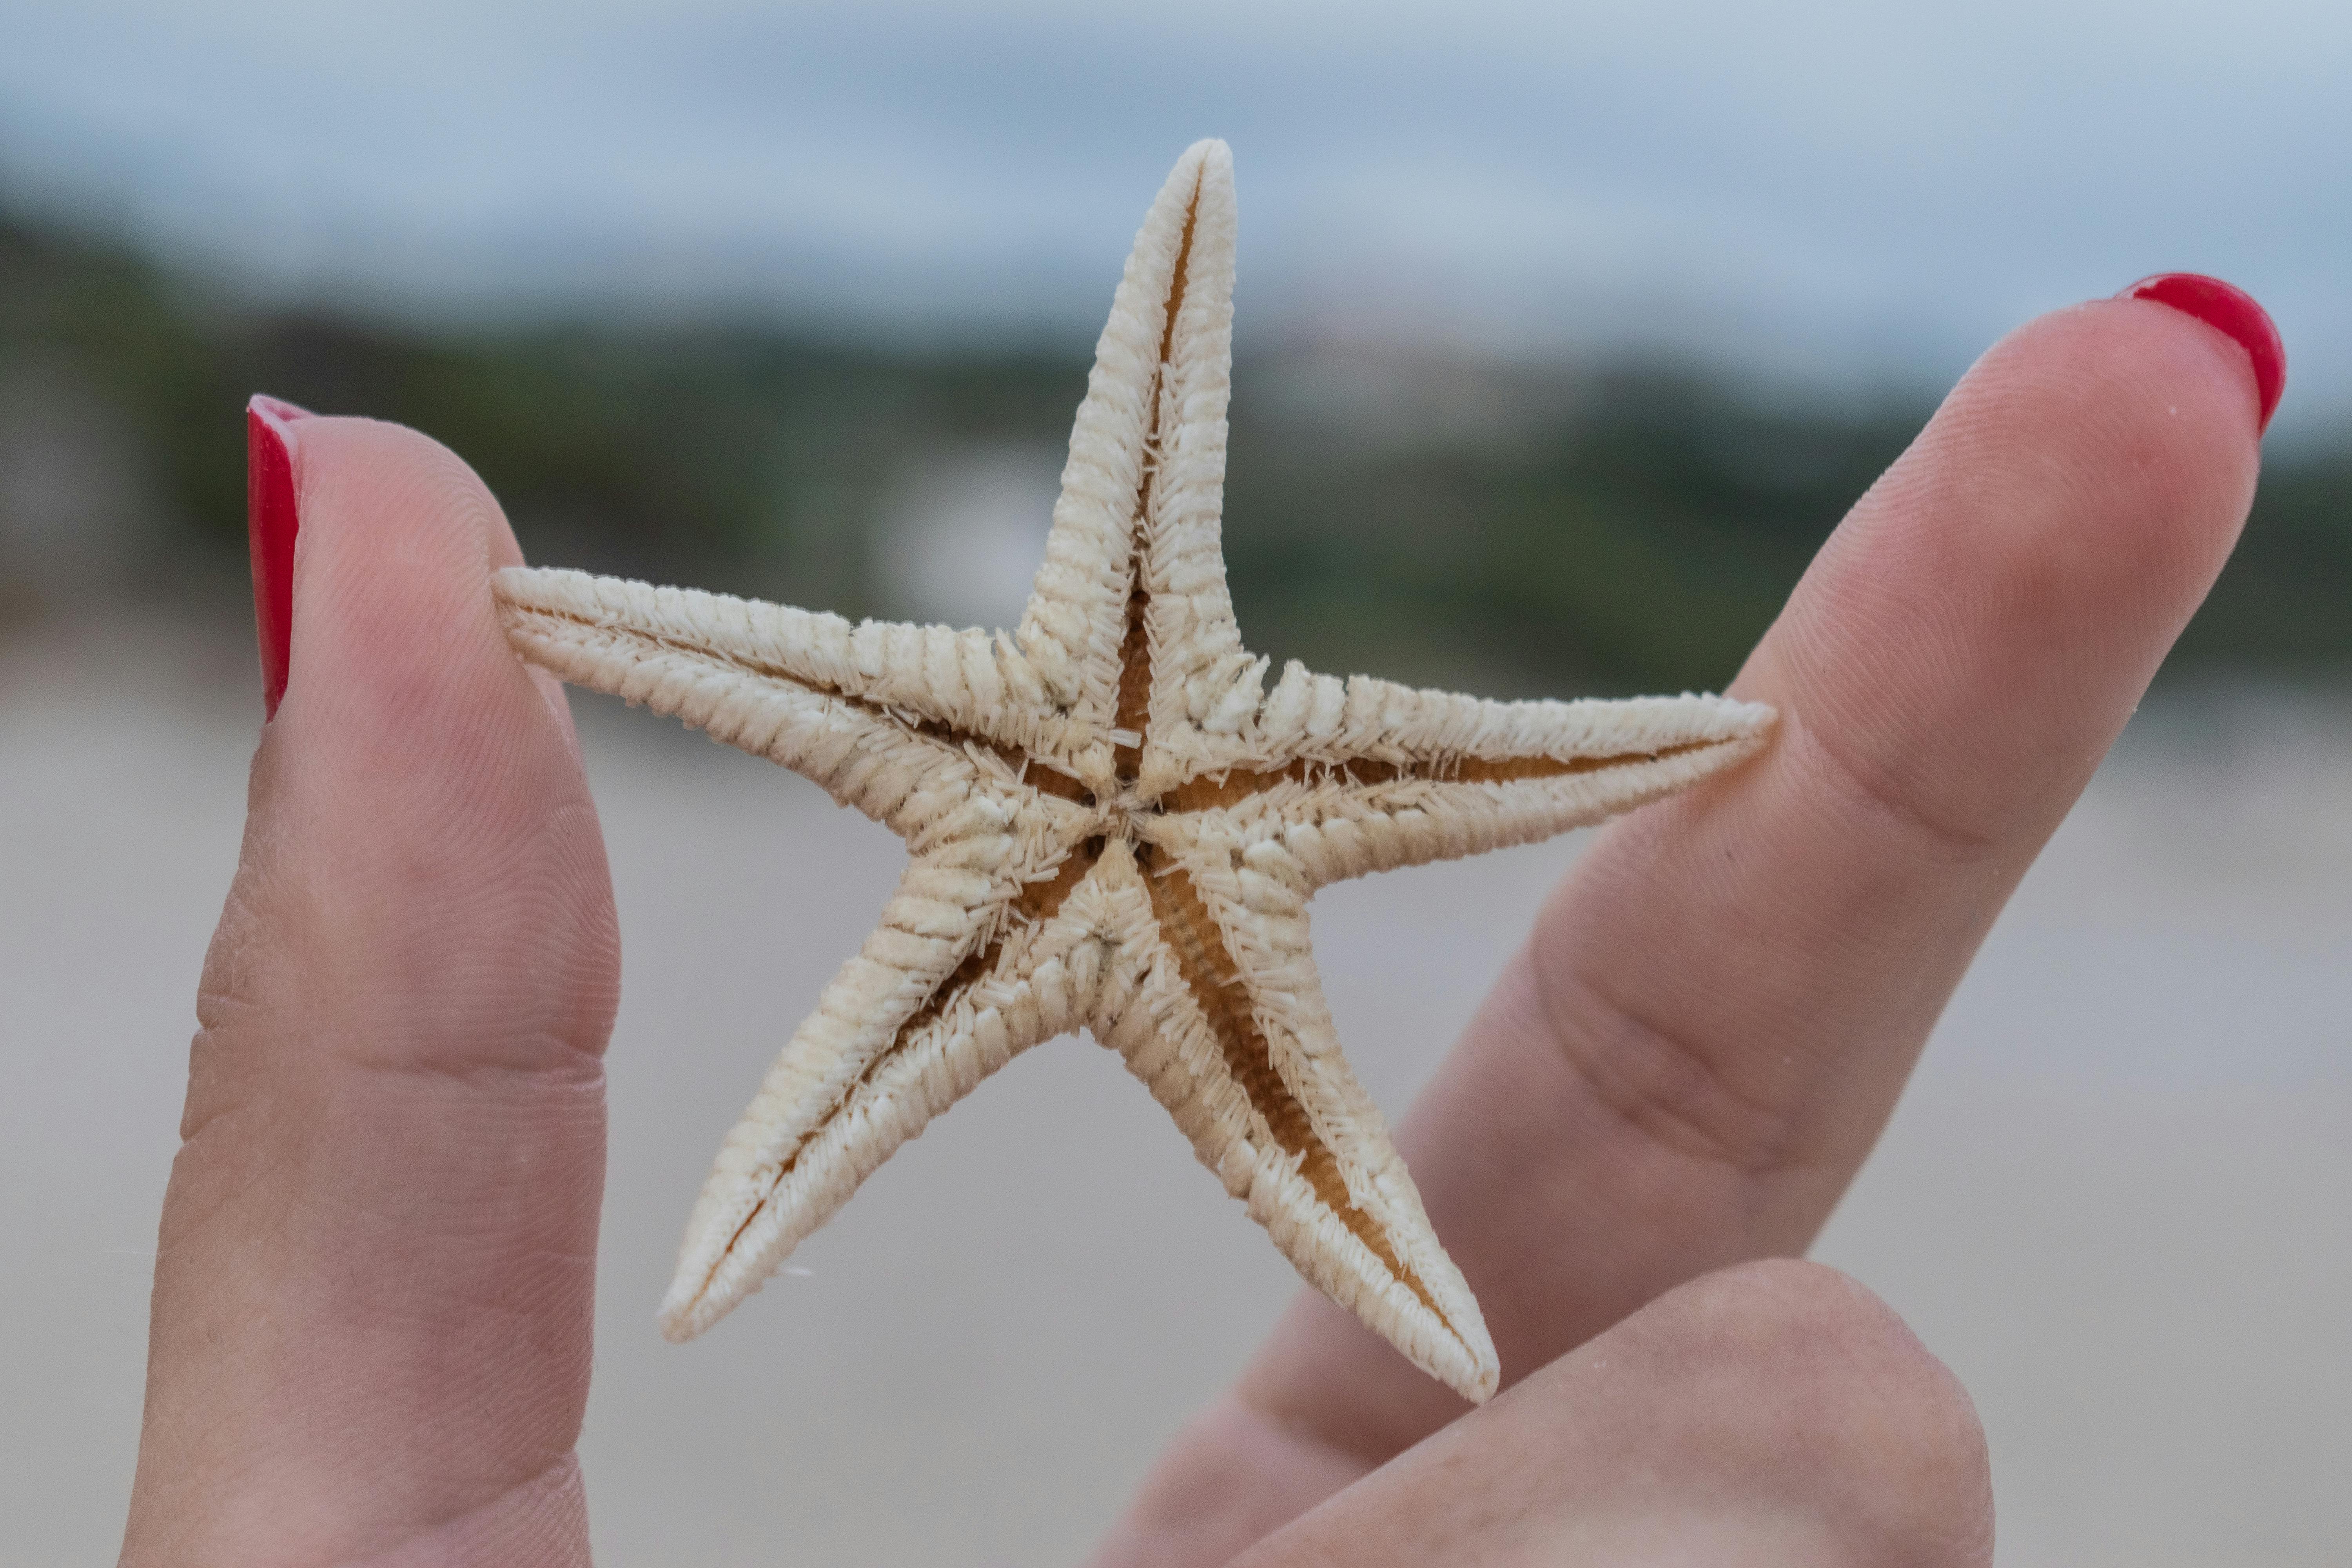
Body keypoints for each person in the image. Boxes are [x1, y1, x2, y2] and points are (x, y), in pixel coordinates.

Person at [116, 277, 2281, 1566]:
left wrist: (1643, 748)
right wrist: (567, 619)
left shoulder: (1211, 763)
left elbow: (1553, 763)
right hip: (1131, 829)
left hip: (1155, 838)